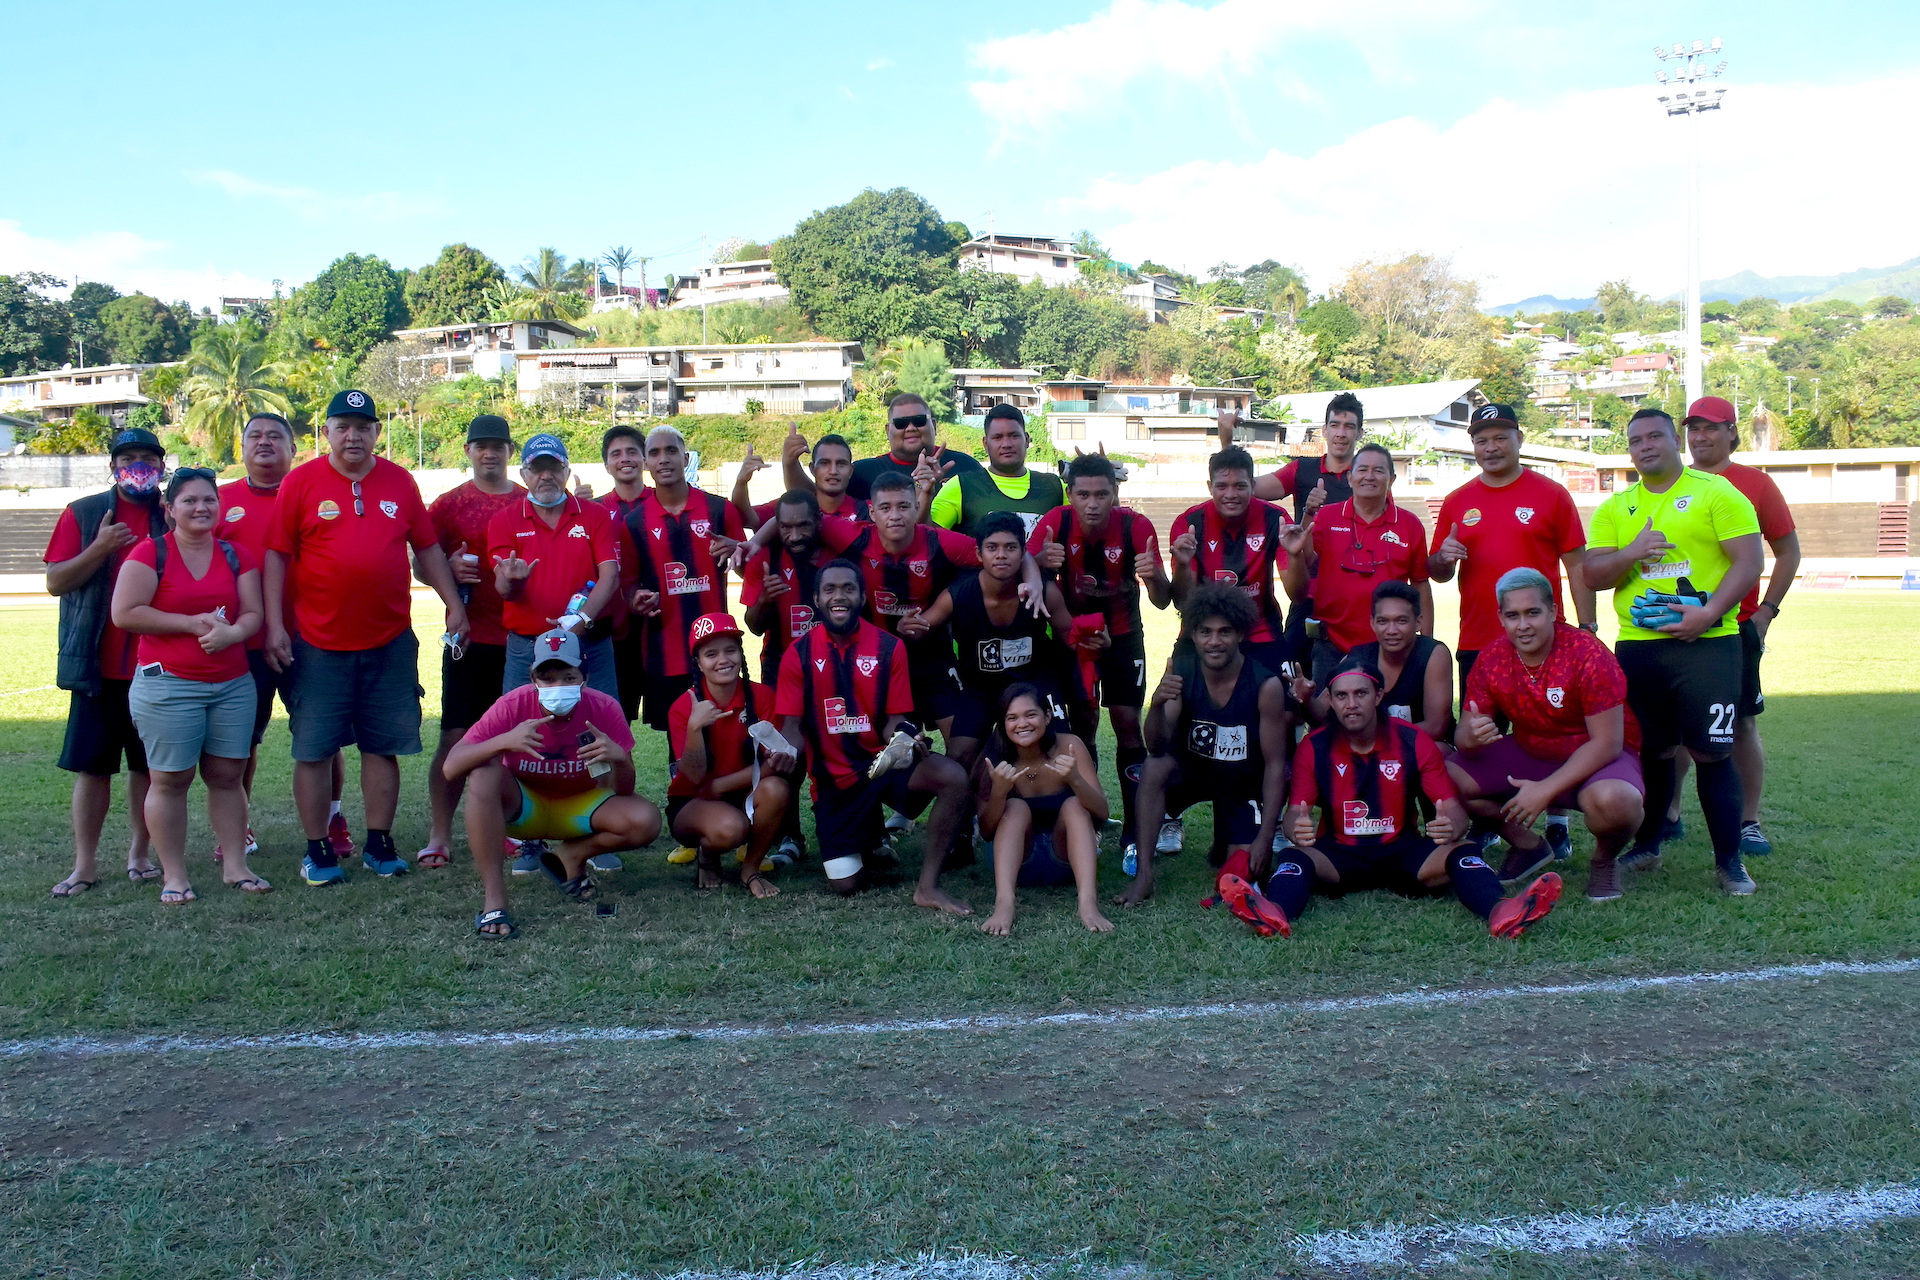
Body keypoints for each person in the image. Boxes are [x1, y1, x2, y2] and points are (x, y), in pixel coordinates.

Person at [264, 389, 469, 886]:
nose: (353, 435)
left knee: (383, 746)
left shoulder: (399, 481)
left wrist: (454, 603)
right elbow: (275, 556)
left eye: (363, 426)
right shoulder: (301, 482)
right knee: (312, 749)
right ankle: (318, 850)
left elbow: (426, 547)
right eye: (342, 426)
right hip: (318, 643)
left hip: (388, 641)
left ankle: (380, 842)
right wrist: (274, 624)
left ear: (377, 432)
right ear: (327, 432)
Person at [1582, 407, 1763, 895]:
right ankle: (1648, 845)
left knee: (1712, 753)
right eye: (1636, 439)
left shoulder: (1717, 493)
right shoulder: (1616, 508)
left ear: (1673, 441)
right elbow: (1593, 575)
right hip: (1640, 650)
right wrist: (1631, 553)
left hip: (1709, 645)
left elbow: (1749, 562)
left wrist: (1708, 614)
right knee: (1655, 753)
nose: (1646, 446)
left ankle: (1730, 860)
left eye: (1655, 436)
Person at [1266, 655, 1563, 938]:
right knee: (1294, 857)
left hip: (1403, 851)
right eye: (1342, 696)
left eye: (1361, 693)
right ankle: (1274, 913)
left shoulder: (1412, 740)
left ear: (1379, 696)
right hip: (1339, 854)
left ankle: (1501, 910)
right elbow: (1295, 813)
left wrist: (1452, 825)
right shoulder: (1313, 746)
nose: (1352, 704)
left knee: (1463, 850)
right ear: (1329, 700)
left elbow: (1453, 810)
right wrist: (1297, 828)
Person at [1428, 402, 1595, 862]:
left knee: (1557, 733)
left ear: (1519, 439)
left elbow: (1576, 564)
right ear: (1473, 447)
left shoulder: (1551, 494)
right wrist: (1443, 558)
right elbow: (1437, 571)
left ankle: (1558, 821)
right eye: (1481, 439)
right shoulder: (1459, 500)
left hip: (1546, 644)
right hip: (1481, 641)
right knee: (1482, 740)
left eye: (1500, 436)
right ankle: (1497, 824)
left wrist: (1588, 626)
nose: (1491, 446)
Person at [773, 560, 974, 915]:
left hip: (880, 768)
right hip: (834, 783)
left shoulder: (888, 647)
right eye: (830, 590)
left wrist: (906, 739)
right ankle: (868, 836)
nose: (840, 596)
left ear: (862, 596)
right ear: (817, 599)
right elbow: (791, 727)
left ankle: (927, 887)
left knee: (953, 777)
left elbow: (893, 721)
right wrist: (785, 751)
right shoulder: (798, 653)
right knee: (846, 886)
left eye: (849, 589)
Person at [109, 468, 268, 902]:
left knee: (228, 775)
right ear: (170, 509)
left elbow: (252, 614)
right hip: (168, 686)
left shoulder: (236, 556)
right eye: (190, 501)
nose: (201, 508)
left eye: (209, 500)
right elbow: (125, 613)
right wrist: (188, 624)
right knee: (170, 779)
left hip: (232, 684)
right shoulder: (149, 554)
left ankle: (236, 867)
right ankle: (174, 876)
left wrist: (233, 633)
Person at [446, 629, 662, 939]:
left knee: (645, 819)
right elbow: (451, 767)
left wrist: (619, 758)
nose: (557, 686)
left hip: (579, 807)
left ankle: (571, 855)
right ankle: (495, 901)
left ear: (584, 677)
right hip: (524, 808)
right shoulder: (513, 705)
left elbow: (624, 791)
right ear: (533, 679)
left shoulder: (603, 707)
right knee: (483, 773)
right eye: (547, 678)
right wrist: (504, 741)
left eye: (568, 676)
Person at [1452, 567, 1646, 901]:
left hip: (1595, 756)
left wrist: (1544, 791)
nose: (1523, 625)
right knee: (1447, 775)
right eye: (1512, 615)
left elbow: (1607, 742)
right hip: (1533, 750)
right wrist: (1471, 735)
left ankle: (1604, 861)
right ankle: (1530, 846)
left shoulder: (1587, 653)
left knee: (1619, 803)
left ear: (1554, 611)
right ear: (1500, 617)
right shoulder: (1494, 656)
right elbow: (1464, 736)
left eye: (1533, 613)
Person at [816, 469, 1042, 741]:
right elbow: (794, 515)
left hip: (934, 658)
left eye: (903, 506)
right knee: (895, 747)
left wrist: (1034, 582)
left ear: (917, 507)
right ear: (872, 512)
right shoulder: (854, 536)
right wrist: (754, 543)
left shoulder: (939, 541)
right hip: (879, 658)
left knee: (963, 746)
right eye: (885, 508)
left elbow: (1002, 552)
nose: (895, 515)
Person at [218, 412, 352, 866]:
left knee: (323, 738)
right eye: (254, 436)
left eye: (276, 436)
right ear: (242, 447)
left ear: (295, 449)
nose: (264, 443)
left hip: (311, 639)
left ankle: (334, 821)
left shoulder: (319, 490)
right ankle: (237, 827)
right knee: (239, 743)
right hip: (242, 644)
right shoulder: (219, 502)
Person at [1028, 451, 1172, 866]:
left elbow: (1162, 602)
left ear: (1115, 494)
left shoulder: (1135, 525)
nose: (1092, 503)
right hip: (1074, 637)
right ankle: (1087, 818)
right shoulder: (1057, 520)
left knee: (1128, 725)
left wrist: (1154, 576)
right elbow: (1025, 569)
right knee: (1081, 724)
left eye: (1102, 494)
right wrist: (1039, 563)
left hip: (1124, 638)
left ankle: (1135, 829)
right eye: (1084, 494)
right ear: (1070, 494)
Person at [1677, 395, 1799, 858]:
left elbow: (1788, 552)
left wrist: (1768, 609)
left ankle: (1749, 821)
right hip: (1672, 627)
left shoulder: (1756, 485)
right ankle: (1668, 816)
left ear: (1732, 432)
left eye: (1712, 427)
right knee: (1676, 730)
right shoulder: (1668, 482)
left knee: (1742, 724)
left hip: (1734, 628)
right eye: (1693, 428)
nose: (1701, 436)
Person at [1117, 583, 1289, 909]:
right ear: (1192, 634)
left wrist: (1266, 837)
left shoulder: (1265, 685)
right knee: (1154, 767)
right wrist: (1155, 705)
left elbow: (1276, 765)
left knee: (1241, 873)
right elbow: (1155, 747)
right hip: (1194, 773)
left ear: (1240, 634)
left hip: (1242, 782)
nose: (1214, 641)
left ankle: (1227, 837)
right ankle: (1144, 874)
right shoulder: (1181, 672)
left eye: (1224, 631)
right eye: (1205, 632)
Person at [45, 427, 164, 896]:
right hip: (97, 667)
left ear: (160, 465)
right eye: (129, 458)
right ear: (113, 466)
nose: (139, 467)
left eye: (148, 458)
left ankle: (140, 854)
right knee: (93, 768)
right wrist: (100, 547)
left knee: (148, 769)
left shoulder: (170, 512)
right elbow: (56, 581)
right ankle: (84, 865)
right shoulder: (84, 512)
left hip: (155, 667)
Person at [418, 414, 524, 868]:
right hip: (468, 636)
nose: (489, 452)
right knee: (456, 736)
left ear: (509, 452)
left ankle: (512, 828)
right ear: (467, 450)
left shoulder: (527, 500)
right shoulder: (448, 504)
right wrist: (448, 569)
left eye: (498, 445)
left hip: (522, 639)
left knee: (516, 739)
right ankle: (439, 834)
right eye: (480, 444)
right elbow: (421, 563)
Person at [900, 511, 1078, 771]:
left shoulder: (1044, 590)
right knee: (960, 756)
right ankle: (975, 809)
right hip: (981, 688)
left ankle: (1058, 807)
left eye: (1010, 547)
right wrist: (906, 626)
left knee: (1061, 750)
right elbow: (921, 629)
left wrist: (1099, 641)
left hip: (1034, 684)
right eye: (992, 548)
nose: (1001, 555)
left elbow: (1072, 638)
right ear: (979, 554)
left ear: (1022, 552)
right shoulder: (958, 594)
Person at [1226, 391, 1363, 670]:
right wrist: (1227, 440)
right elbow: (1245, 487)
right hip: (1308, 595)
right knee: (1293, 683)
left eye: (1349, 426)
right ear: (1324, 430)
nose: (1341, 433)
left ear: (1360, 433)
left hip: (1353, 599)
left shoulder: (1368, 475)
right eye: (1335, 425)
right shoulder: (1302, 469)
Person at [623, 425, 745, 732]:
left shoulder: (720, 510)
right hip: (665, 655)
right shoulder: (633, 522)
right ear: (645, 463)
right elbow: (628, 586)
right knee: (678, 746)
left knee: (726, 735)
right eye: (654, 453)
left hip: (717, 652)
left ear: (686, 457)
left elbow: (746, 570)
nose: (663, 459)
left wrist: (739, 552)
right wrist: (637, 598)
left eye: (671, 451)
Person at [665, 613, 796, 897]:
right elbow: (695, 777)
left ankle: (751, 869)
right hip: (694, 801)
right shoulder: (682, 706)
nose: (723, 659)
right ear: (698, 663)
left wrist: (722, 785)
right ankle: (708, 854)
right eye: (711, 654)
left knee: (777, 788)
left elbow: (770, 765)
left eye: (730, 650)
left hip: (741, 792)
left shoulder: (763, 697)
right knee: (729, 829)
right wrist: (694, 727)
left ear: (741, 653)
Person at [488, 433, 621, 696]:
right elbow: (504, 591)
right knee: (521, 727)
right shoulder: (504, 520)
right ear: (524, 474)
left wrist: (581, 620)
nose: (546, 476)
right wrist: (512, 579)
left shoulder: (595, 514)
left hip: (589, 644)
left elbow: (610, 575)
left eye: (554, 468)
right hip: (527, 647)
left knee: (599, 725)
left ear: (567, 471)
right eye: (537, 468)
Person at [976, 684, 1113, 936]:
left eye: (1031, 714)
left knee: (1074, 805)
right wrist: (999, 792)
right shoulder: (995, 755)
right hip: (1016, 864)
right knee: (1015, 807)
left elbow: (1102, 814)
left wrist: (1075, 780)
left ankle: (1088, 903)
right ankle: (1004, 904)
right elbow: (986, 831)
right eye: (1012, 718)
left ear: (1047, 717)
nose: (1022, 724)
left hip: (1067, 860)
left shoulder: (1069, 746)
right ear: (1003, 723)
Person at [1300, 441, 1432, 682]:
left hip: (1390, 647)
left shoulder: (1410, 524)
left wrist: (1426, 644)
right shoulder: (1326, 517)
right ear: (1350, 478)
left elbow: (1421, 583)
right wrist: (1307, 514)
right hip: (1332, 645)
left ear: (1391, 480)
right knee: (1328, 716)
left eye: (1378, 470)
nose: (1369, 476)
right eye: (1362, 470)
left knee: (1390, 717)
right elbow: (1303, 561)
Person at [1169, 446, 1304, 677]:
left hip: (1261, 632)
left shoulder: (1275, 519)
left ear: (1252, 485)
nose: (1230, 494)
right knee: (1172, 702)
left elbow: (1298, 595)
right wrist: (1182, 566)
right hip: (1203, 633)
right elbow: (1182, 602)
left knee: (1286, 706)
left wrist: (1294, 555)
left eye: (1240, 486)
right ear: (1210, 487)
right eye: (1222, 486)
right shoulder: (1189, 523)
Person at [1296, 582, 1451, 743]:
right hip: (1370, 748)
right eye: (1383, 621)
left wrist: (1372, 740)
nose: (1391, 630)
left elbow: (1436, 728)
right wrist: (1306, 700)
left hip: (1418, 746)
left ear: (1418, 622)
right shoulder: (1358, 658)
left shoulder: (1432, 654)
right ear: (1372, 623)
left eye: (1401, 621)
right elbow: (1321, 714)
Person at [925, 404, 1064, 538]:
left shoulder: (1055, 487)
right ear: (986, 444)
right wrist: (924, 492)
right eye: (997, 437)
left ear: (1026, 440)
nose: (1006, 444)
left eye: (1014, 436)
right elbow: (927, 536)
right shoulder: (961, 486)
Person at [740, 488, 832, 684]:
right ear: (777, 526)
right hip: (780, 666)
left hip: (835, 665)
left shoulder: (840, 552)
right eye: (786, 527)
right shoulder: (764, 558)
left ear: (819, 520)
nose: (795, 536)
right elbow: (754, 628)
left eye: (803, 525)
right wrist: (763, 601)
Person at [594, 424, 651, 722]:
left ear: (644, 459)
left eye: (632, 451)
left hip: (661, 627)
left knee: (676, 718)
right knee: (615, 717)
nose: (625, 458)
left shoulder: (665, 502)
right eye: (616, 454)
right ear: (607, 465)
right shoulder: (593, 510)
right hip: (614, 630)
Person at [838, 392, 985, 501]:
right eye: (901, 423)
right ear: (888, 431)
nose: (910, 428)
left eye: (919, 420)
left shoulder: (966, 466)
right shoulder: (861, 474)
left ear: (933, 425)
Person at [736, 425, 869, 531]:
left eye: (841, 464)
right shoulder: (790, 507)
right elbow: (746, 519)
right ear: (812, 469)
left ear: (851, 471)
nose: (833, 471)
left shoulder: (869, 511)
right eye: (824, 463)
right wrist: (741, 483)